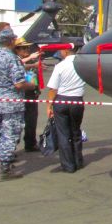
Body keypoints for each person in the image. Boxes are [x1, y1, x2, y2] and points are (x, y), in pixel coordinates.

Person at [0, 28, 37, 181]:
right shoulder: (12, 59)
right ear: (11, 41)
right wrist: (32, 85)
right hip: (11, 103)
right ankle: (5, 170)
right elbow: (19, 84)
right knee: (10, 135)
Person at [46, 45, 86, 173]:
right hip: (77, 100)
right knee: (76, 131)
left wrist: (49, 106)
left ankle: (68, 165)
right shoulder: (82, 65)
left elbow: (53, 88)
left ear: (66, 51)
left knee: (63, 134)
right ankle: (78, 161)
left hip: (62, 100)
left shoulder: (60, 66)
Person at [14, 37, 41, 152]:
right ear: (17, 50)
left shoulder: (28, 60)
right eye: (23, 48)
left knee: (31, 120)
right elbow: (20, 66)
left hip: (31, 93)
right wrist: (31, 61)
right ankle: (11, 149)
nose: (27, 50)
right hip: (20, 95)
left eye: (28, 48)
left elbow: (33, 74)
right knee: (17, 124)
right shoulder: (15, 60)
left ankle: (30, 143)